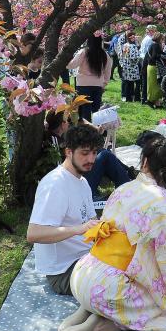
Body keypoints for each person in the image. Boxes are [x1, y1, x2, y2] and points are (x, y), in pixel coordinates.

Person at [58, 137, 166, 331]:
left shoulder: (122, 189)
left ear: (144, 162)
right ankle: (99, 322)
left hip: (82, 275)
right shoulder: (163, 202)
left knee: (140, 267)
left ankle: (87, 308)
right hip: (108, 291)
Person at [27, 124, 102, 295]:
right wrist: (78, 229)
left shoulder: (82, 181)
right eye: (84, 153)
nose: (91, 159)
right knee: (122, 284)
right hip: (64, 271)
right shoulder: (55, 184)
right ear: (68, 152)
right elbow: (34, 234)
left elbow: (90, 223)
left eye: (94, 153)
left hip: (87, 258)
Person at [44, 111, 132, 201]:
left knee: (102, 152)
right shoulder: (54, 140)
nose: (68, 123)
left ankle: (126, 181)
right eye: (67, 121)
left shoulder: (59, 137)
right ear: (62, 125)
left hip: (77, 175)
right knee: (105, 155)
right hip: (73, 182)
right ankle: (126, 188)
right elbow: (59, 167)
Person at [67, 35, 112, 123]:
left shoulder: (84, 52)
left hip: (83, 84)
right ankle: (99, 129)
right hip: (98, 84)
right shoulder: (104, 54)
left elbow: (71, 65)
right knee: (97, 108)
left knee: (85, 108)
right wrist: (104, 83)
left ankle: (87, 130)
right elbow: (108, 70)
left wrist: (66, 58)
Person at [145, 32, 166, 108]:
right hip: (154, 67)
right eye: (162, 38)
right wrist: (164, 56)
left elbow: (160, 53)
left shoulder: (153, 45)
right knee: (155, 85)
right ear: (159, 38)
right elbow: (155, 56)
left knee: (153, 85)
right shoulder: (155, 45)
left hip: (151, 67)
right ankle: (151, 101)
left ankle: (156, 102)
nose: (163, 40)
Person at [118, 31, 142, 102]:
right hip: (133, 67)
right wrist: (138, 57)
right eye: (133, 37)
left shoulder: (125, 45)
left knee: (128, 82)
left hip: (126, 66)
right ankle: (136, 97)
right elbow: (134, 57)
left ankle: (128, 97)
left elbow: (123, 55)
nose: (134, 38)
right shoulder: (133, 46)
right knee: (137, 82)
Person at [139, 25, 157, 104]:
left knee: (144, 79)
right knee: (146, 80)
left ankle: (144, 98)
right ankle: (145, 98)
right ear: (150, 31)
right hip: (146, 60)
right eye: (153, 30)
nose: (154, 32)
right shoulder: (150, 39)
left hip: (142, 59)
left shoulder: (145, 38)